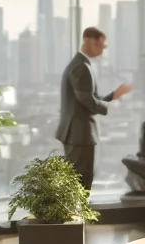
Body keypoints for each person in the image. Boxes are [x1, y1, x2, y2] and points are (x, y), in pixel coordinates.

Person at [55, 26, 132, 190]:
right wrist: (111, 107)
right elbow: (87, 100)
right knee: (81, 179)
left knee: (80, 178)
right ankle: (78, 214)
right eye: (100, 46)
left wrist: (113, 96)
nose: (102, 51)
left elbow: (89, 99)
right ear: (88, 41)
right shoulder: (81, 67)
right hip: (79, 134)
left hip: (79, 134)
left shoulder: (82, 65)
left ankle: (77, 213)